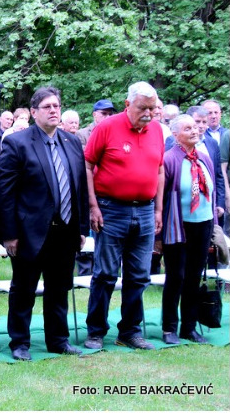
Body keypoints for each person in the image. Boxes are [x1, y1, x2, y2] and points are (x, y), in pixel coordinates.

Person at [0, 87, 89, 360]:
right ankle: (20, 343)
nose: (53, 111)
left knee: (59, 289)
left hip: (66, 230)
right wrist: (9, 234)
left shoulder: (71, 142)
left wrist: (81, 228)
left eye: (56, 106)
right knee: (24, 289)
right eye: (47, 106)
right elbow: (5, 193)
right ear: (34, 112)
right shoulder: (18, 142)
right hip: (30, 232)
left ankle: (58, 340)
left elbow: (79, 187)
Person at [84, 81, 164, 351]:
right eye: (143, 108)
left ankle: (130, 331)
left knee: (139, 276)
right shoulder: (107, 127)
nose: (148, 113)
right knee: (105, 274)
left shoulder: (157, 131)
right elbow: (87, 165)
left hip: (145, 210)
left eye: (152, 108)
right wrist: (93, 206)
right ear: (128, 104)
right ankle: (96, 331)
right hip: (111, 210)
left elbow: (160, 170)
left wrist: (158, 209)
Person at [161, 114, 215, 345]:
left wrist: (214, 227)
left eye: (195, 127)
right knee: (176, 277)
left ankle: (189, 327)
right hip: (178, 226)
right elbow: (161, 197)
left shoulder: (204, 158)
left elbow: (211, 193)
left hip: (203, 224)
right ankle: (169, 328)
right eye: (187, 128)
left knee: (194, 277)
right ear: (175, 134)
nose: (194, 131)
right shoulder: (169, 159)